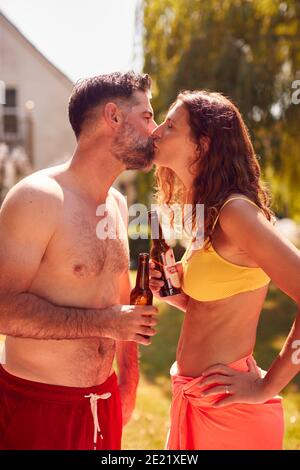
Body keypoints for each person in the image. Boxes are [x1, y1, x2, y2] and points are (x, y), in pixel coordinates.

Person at [0, 72, 158, 450]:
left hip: (104, 405)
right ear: (113, 117)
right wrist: (107, 323)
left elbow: (125, 309)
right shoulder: (38, 198)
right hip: (37, 406)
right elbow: (3, 309)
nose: (157, 128)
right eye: (148, 115)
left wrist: (127, 382)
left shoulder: (119, 205)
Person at [149, 90, 300, 450]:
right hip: (195, 398)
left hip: (227, 413)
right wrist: (177, 295)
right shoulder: (211, 214)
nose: (156, 131)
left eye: (170, 125)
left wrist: (268, 385)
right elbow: (217, 303)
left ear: (202, 145)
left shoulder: (236, 213)